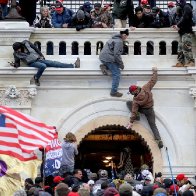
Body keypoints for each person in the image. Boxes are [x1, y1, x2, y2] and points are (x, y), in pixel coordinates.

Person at [11, 40, 80, 86]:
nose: (18, 50)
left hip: (39, 58)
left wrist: (41, 55)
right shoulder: (16, 54)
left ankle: (73, 65)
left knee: (55, 63)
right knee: (43, 66)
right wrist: (14, 65)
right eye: (17, 50)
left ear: (21, 46)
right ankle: (36, 78)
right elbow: (17, 63)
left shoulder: (26, 43)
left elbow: (35, 48)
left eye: (18, 49)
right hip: (32, 63)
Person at [126, 67, 163, 148]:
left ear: (134, 92)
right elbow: (153, 81)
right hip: (150, 110)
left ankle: (138, 117)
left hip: (142, 110)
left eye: (131, 93)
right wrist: (155, 72)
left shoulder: (135, 100)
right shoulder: (145, 88)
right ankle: (159, 140)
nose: (131, 94)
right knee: (153, 125)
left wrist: (131, 121)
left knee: (129, 103)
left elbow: (134, 111)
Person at [99, 29, 129, 97]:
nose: (126, 38)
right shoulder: (119, 41)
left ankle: (104, 66)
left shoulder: (114, 38)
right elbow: (116, 55)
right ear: (124, 35)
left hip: (103, 57)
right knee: (117, 74)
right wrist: (121, 64)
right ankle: (113, 92)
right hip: (108, 58)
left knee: (113, 65)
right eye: (126, 36)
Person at [172, 0, 195, 67]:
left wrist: (178, 25)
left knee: (186, 47)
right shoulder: (181, 9)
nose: (177, 6)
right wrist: (176, 25)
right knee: (180, 48)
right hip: (182, 31)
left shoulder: (187, 7)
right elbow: (181, 19)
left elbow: (185, 18)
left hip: (187, 31)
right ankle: (181, 62)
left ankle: (191, 61)